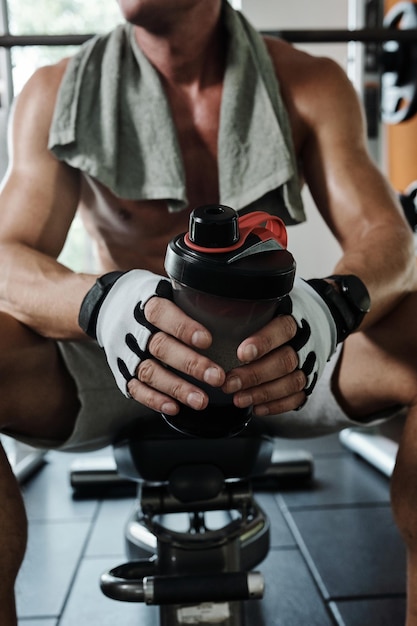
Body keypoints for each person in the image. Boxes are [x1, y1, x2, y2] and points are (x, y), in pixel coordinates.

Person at [1, 0, 417, 623]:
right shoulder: (56, 92)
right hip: (121, 365)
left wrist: (332, 304)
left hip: (280, 356)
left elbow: (390, 237)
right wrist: (102, 302)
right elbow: (6, 256)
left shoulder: (308, 82)